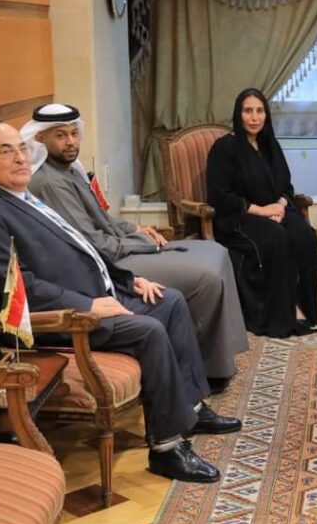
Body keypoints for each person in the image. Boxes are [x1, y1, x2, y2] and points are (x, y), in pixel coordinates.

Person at [0, 121, 241, 484]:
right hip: (58, 317)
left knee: (169, 301)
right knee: (149, 331)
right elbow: (15, 288)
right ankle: (167, 449)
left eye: (21, 149)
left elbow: (81, 247)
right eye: (6, 151)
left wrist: (128, 280)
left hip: (94, 294)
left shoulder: (20, 195)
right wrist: (87, 305)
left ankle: (191, 408)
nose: (20, 158)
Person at [22, 103, 248, 388]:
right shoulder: (49, 182)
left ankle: (222, 357)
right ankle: (208, 368)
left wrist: (136, 229)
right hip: (110, 264)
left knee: (216, 252)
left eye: (73, 134)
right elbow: (92, 243)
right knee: (205, 278)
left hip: (119, 249)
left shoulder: (69, 170)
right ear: (40, 138)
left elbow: (103, 219)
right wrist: (143, 243)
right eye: (60, 135)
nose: (70, 142)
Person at [206, 88, 317, 338]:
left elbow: (286, 186)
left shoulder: (269, 144)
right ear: (238, 114)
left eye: (260, 111)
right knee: (276, 238)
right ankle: (284, 314)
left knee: (304, 235)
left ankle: (306, 308)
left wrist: (280, 206)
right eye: (248, 111)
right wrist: (262, 211)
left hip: (275, 211)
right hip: (240, 217)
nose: (254, 117)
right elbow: (220, 195)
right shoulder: (225, 148)